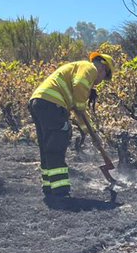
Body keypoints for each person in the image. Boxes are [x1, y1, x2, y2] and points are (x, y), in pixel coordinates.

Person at [28, 51, 114, 206]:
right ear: (103, 68)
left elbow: (78, 110)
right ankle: (61, 191)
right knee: (57, 144)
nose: (100, 82)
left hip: (38, 102)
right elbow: (79, 92)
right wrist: (83, 99)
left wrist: (90, 132)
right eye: (105, 77)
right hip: (53, 104)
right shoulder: (90, 68)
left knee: (47, 147)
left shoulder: (78, 69)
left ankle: (49, 187)